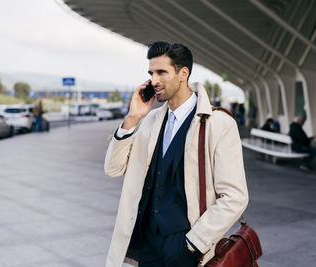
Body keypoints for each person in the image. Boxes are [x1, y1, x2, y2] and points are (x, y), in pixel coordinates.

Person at [104, 41, 248, 267]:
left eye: (162, 72)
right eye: (151, 73)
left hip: (187, 249)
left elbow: (235, 197)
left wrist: (193, 242)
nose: (154, 80)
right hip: (149, 246)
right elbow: (113, 169)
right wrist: (132, 119)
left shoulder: (217, 123)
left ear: (183, 73)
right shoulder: (149, 121)